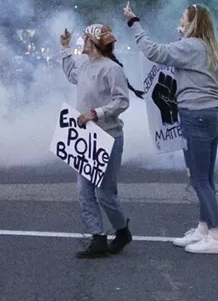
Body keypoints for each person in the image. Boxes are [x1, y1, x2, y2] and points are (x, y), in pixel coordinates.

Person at [124, 2, 218, 255]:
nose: (179, 19)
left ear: (191, 22)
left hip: (196, 116)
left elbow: (153, 52)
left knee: (198, 178)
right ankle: (204, 229)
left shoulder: (190, 47)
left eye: (183, 17)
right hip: (215, 114)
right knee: (207, 178)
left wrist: (134, 23)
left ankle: (215, 237)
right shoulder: (212, 47)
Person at [60, 24, 144, 259]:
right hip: (87, 137)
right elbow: (71, 75)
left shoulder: (112, 69)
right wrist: (65, 48)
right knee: (84, 189)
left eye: (86, 38)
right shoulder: (86, 66)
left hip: (108, 136)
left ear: (95, 43)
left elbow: (122, 101)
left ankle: (122, 231)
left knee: (105, 193)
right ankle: (97, 237)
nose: (82, 42)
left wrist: (95, 113)